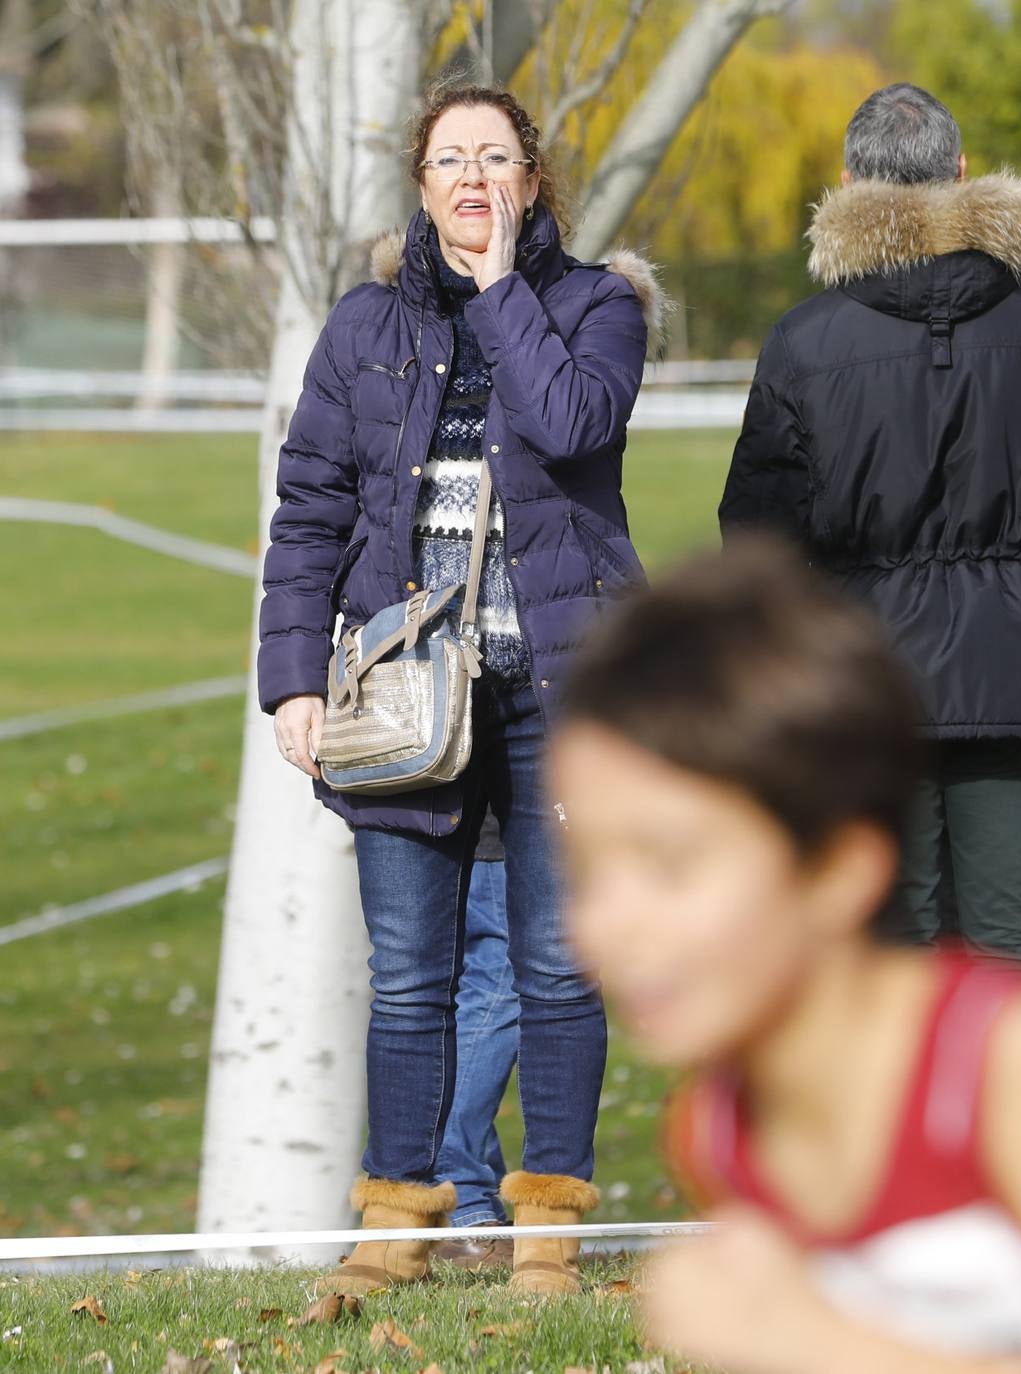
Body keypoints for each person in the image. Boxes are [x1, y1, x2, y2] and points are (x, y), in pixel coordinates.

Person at [554, 541, 1021, 1374]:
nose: (603, 926)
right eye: (586, 870)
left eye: (670, 865)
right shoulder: (719, 1123)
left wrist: (821, 1344)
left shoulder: (1005, 1061)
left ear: (839, 868)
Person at [257, 81, 669, 1296]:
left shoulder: (597, 309)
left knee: (554, 968)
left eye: (496, 157)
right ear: (422, 184)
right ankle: (396, 1230)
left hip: (564, 688)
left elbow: (574, 420)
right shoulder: (362, 329)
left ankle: (546, 1234)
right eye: (450, 159)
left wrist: (500, 294)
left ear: (532, 182)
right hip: (401, 697)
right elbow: (309, 513)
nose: (473, 177)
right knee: (412, 977)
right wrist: (294, 682)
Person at [718, 83, 1021, 973]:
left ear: (849, 181)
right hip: (1012, 671)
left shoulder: (804, 341)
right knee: (1008, 964)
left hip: (866, 686)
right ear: (962, 172)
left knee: (895, 969)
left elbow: (758, 535)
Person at [430, 812, 519, 1269]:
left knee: (451, 996)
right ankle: (461, 1200)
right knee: (499, 981)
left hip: (426, 808)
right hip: (490, 823)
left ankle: (474, 1201)